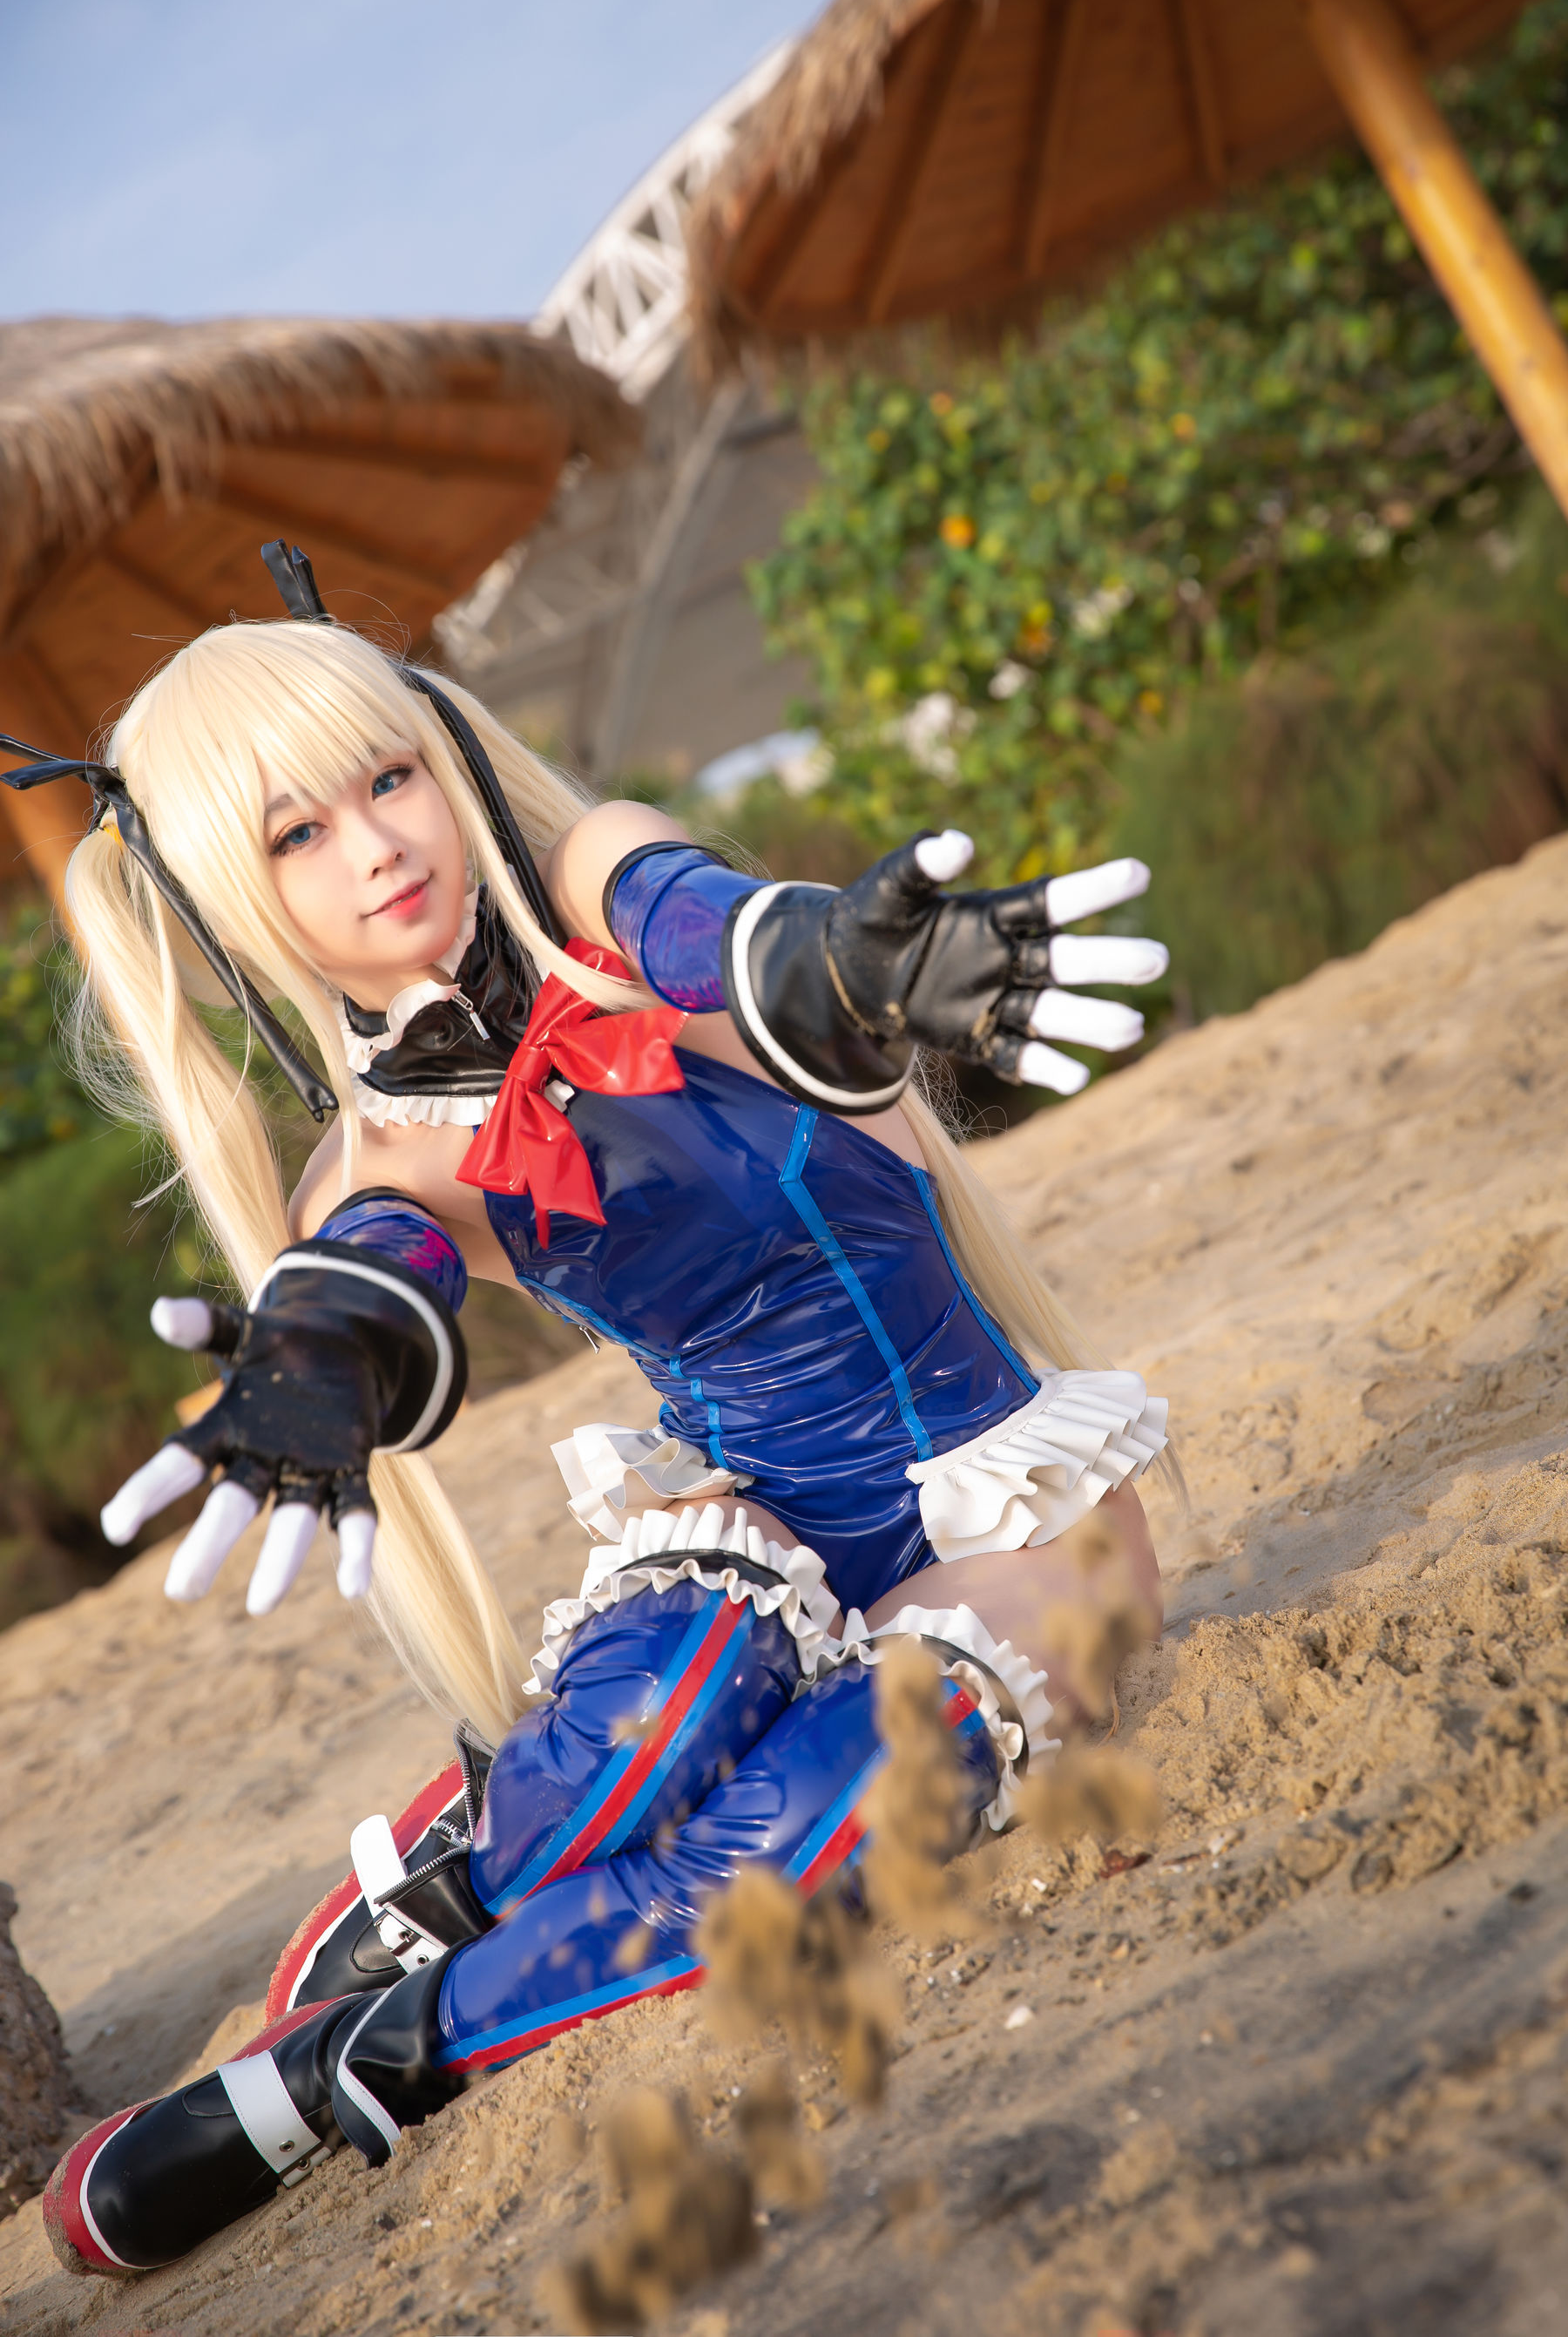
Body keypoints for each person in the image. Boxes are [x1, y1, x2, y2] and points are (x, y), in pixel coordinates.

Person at [11, 553, 1172, 2278]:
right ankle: (477, 1873)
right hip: (751, 1545)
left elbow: (724, 934)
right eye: (298, 834)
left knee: (817, 1825)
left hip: (1019, 1536)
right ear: (238, 906)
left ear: (446, 756)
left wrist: (847, 965)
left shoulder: (596, 879)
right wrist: (322, 1359)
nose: (378, 846)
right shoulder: (381, 1155)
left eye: (390, 777)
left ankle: (353, 2061)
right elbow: (374, 1269)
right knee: (678, 1693)